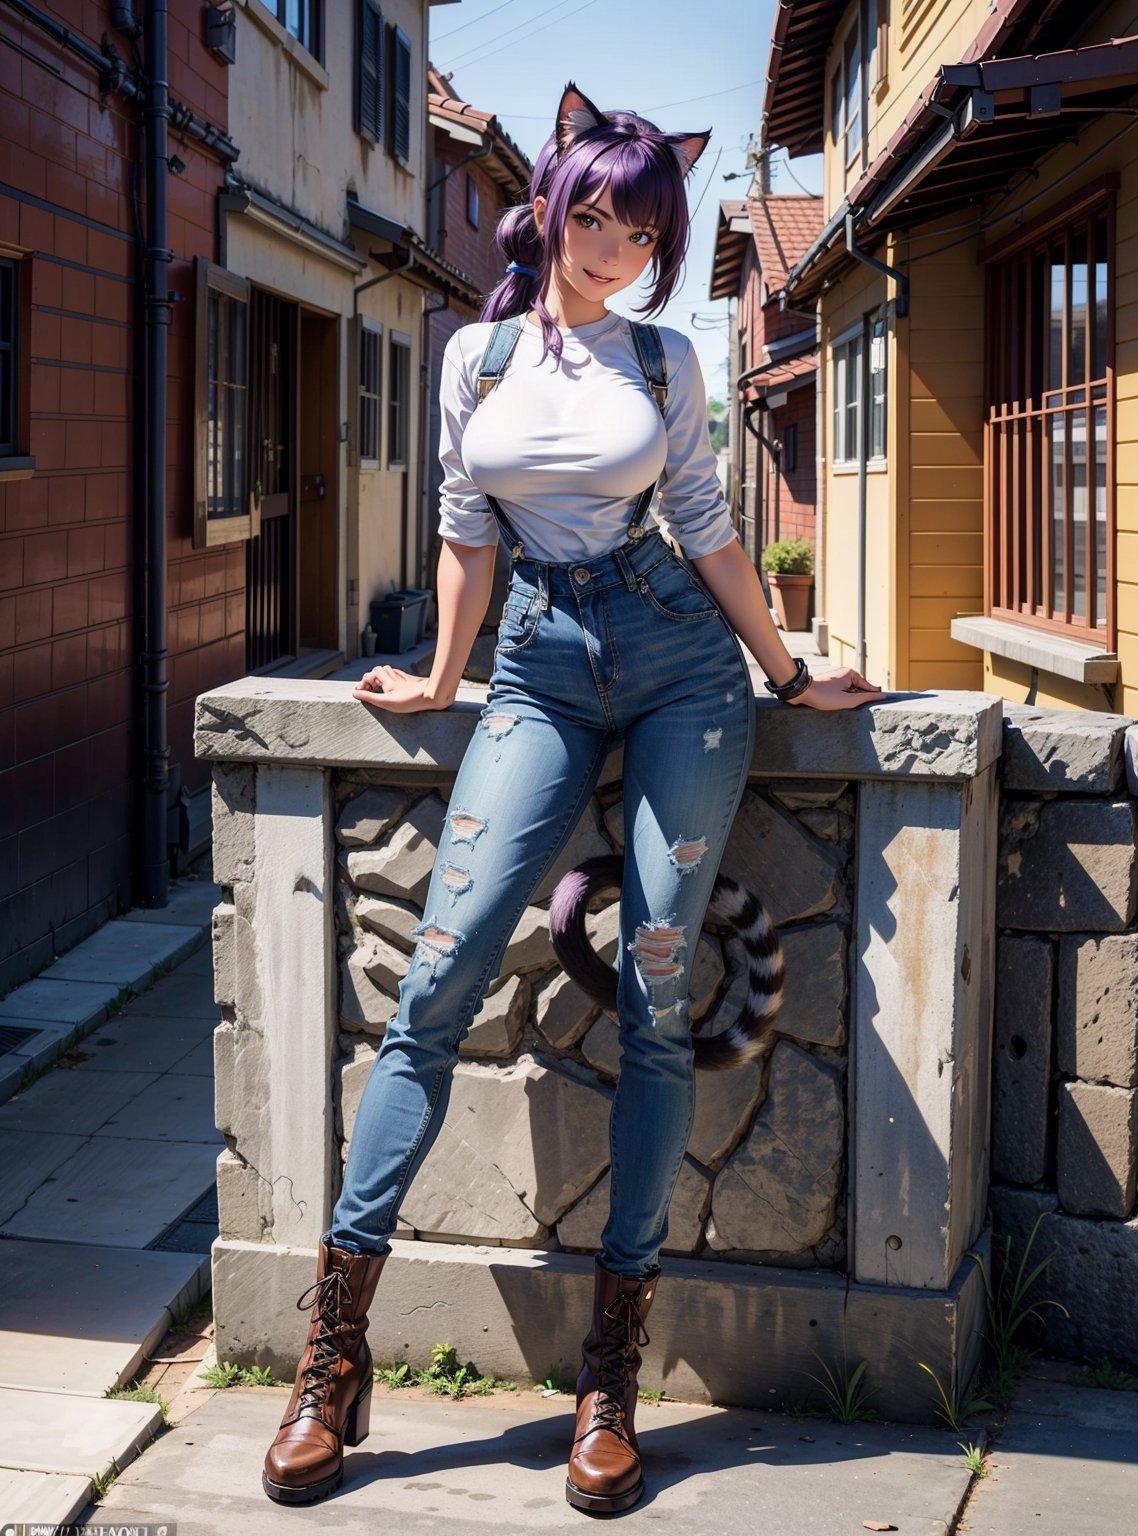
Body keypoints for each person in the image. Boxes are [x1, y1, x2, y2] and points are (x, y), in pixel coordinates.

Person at [261, 83, 882, 1515]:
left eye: (640, 227)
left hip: (681, 669)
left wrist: (788, 674)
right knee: (437, 978)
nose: (610, 246)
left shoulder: (667, 362)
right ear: (550, 203)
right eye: (593, 214)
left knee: (660, 986)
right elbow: (466, 533)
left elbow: (715, 528)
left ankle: (610, 1376)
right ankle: (332, 1358)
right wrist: (437, 676)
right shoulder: (473, 358)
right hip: (536, 673)